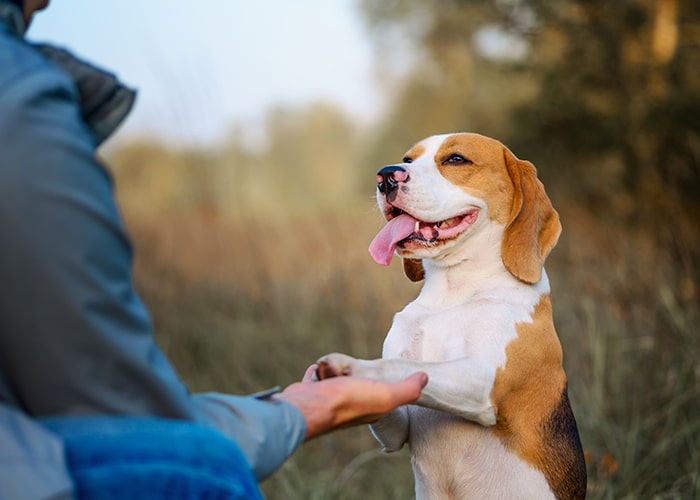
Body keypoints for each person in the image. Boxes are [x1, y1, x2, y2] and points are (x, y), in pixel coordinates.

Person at [0, 1, 428, 498]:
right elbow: (139, 427)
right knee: (201, 471)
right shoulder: (19, 97)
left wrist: (290, 409)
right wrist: (303, 413)